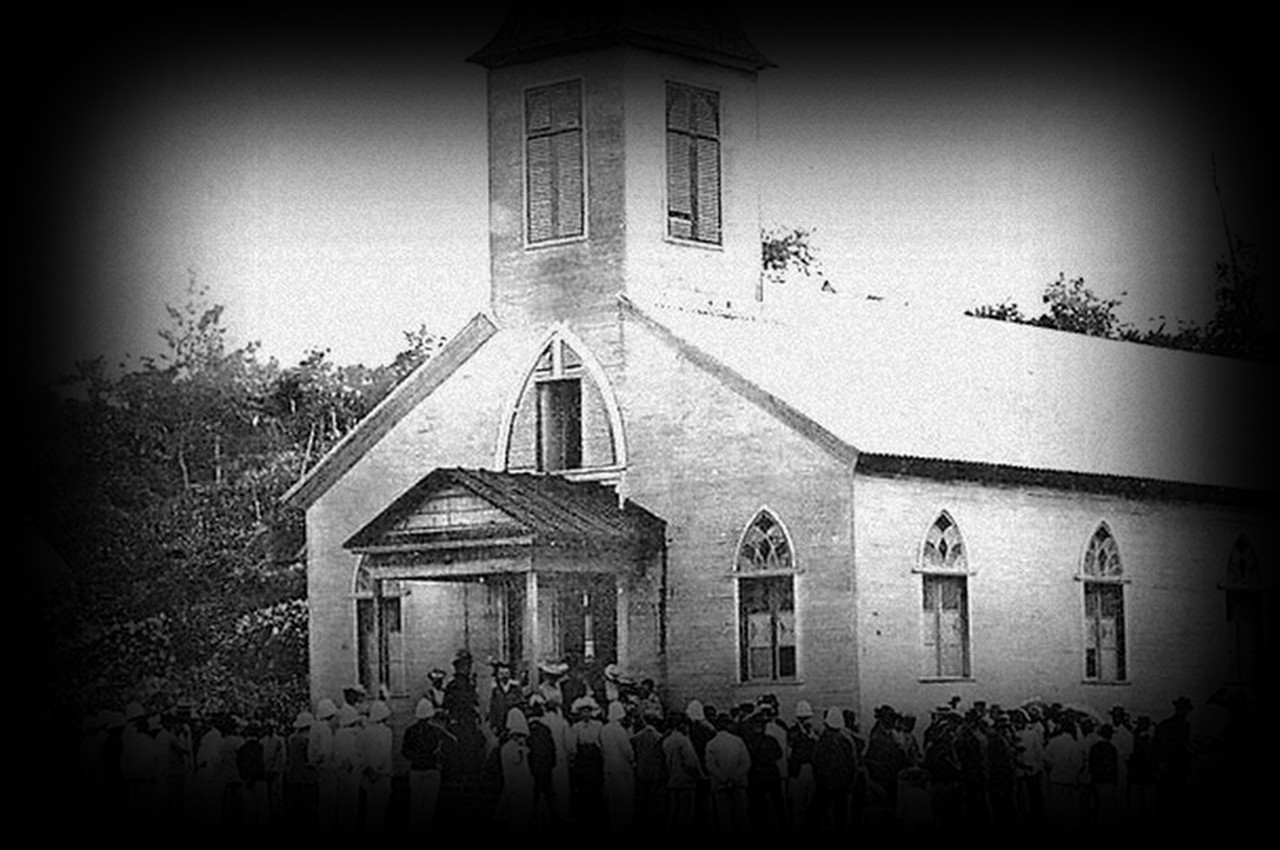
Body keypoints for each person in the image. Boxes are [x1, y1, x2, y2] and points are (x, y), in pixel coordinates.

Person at [403, 698, 446, 837]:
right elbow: (453, 741)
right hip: (432, 769)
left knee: (415, 805)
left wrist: (416, 757)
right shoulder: (436, 731)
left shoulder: (410, 731)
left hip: (416, 769)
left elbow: (404, 751)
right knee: (428, 808)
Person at [813, 708, 857, 837]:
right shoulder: (847, 741)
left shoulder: (823, 740)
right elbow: (852, 765)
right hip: (842, 786)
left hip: (825, 785)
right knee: (840, 817)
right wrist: (849, 784)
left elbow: (816, 762)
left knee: (816, 815)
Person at [495, 708, 535, 837]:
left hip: (522, 787)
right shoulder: (511, 749)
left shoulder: (518, 749)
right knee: (518, 820)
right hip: (517, 787)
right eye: (519, 736)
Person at [663, 711, 704, 837]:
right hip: (686, 781)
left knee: (673, 814)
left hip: (673, 779)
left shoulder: (667, 740)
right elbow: (690, 763)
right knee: (686, 815)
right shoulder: (684, 741)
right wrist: (700, 777)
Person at [601, 700, 636, 834]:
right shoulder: (619, 730)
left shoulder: (604, 729)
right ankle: (624, 827)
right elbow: (626, 750)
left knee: (613, 801)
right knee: (624, 799)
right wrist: (632, 761)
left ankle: (614, 826)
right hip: (622, 768)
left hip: (609, 767)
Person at [362, 700, 394, 834]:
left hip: (369, 774)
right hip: (382, 775)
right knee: (380, 811)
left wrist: (370, 768)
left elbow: (363, 752)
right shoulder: (386, 732)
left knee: (370, 809)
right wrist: (377, 770)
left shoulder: (366, 731)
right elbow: (384, 753)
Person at [332, 705, 364, 835]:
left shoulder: (338, 734)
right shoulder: (355, 734)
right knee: (352, 803)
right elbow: (358, 753)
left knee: (343, 803)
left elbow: (336, 754)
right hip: (352, 771)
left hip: (341, 771)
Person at [308, 698, 339, 833]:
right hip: (327, 768)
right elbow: (325, 751)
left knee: (323, 801)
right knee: (329, 802)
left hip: (319, 768)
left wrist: (314, 763)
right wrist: (319, 762)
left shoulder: (315, 726)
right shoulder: (324, 729)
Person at [284, 710, 317, 832]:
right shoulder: (308, 740)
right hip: (308, 778)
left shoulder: (291, 738)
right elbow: (310, 758)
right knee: (308, 809)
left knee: (295, 809)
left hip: (293, 777)